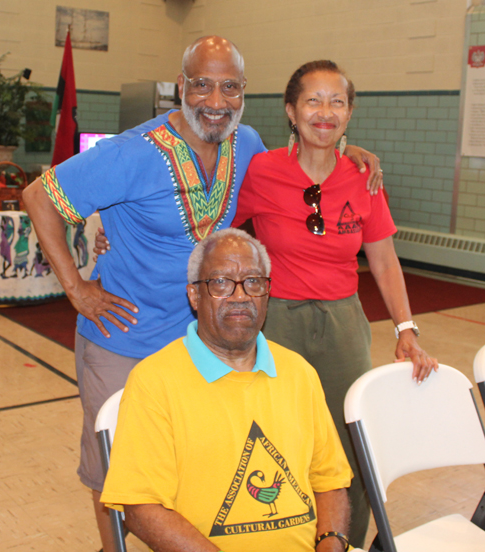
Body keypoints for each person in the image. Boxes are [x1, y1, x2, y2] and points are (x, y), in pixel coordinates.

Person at [23, 36, 381, 550]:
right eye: (203, 86)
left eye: (230, 87)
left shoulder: (247, 143)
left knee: (200, 466)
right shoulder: (130, 151)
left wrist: (349, 151)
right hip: (125, 336)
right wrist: (77, 290)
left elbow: (301, 157)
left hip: (202, 346)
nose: (216, 101)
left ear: (244, 93)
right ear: (181, 86)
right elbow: (39, 197)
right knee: (117, 468)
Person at [231, 60, 439, 547]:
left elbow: (384, 261)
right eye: (312, 100)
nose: (324, 112)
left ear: (348, 114)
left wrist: (405, 329)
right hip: (275, 323)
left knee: (347, 442)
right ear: (290, 110)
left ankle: (342, 539)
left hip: (343, 323)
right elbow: (216, 230)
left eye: (337, 102)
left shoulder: (364, 178)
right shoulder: (262, 171)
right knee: (274, 440)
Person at [101, 228, 353, 552]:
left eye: (253, 282)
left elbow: (330, 482)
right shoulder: (153, 382)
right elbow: (139, 509)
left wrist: (330, 545)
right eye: (220, 282)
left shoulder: (299, 373)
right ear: (194, 295)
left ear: (266, 293)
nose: (240, 295)